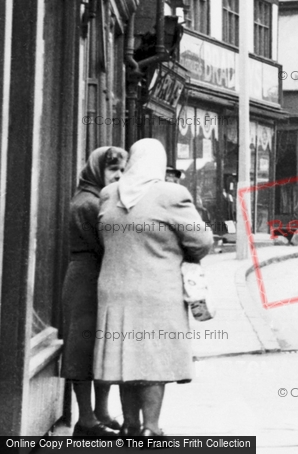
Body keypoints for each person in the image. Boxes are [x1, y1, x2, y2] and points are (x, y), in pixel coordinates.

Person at [94, 139, 213, 437]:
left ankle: (130, 426)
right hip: (157, 290)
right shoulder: (170, 194)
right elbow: (202, 241)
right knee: (153, 357)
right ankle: (151, 427)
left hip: (114, 289)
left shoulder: (109, 194)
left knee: (124, 358)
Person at [61, 146, 127, 437]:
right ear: (97, 170)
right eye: (113, 170)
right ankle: (85, 420)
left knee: (101, 345)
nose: (118, 176)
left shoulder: (101, 197)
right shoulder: (88, 202)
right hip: (87, 278)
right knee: (83, 347)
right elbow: (104, 243)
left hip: (97, 274)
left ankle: (100, 412)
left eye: (123, 171)